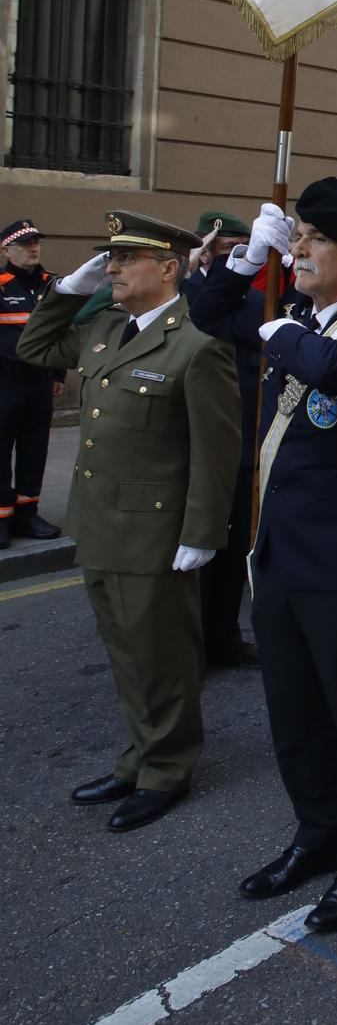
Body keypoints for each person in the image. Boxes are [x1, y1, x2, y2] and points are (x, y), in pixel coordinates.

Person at [190, 179, 337, 934]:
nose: (301, 251)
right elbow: (209, 315)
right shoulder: (288, 312)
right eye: (296, 239)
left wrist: (281, 333)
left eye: (315, 241)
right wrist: (243, 263)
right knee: (293, 712)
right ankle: (316, 833)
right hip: (281, 551)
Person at [17, 211, 240, 832]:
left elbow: (214, 452)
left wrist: (202, 533)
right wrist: (65, 294)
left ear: (168, 268)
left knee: (161, 657)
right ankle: (136, 757)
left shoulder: (195, 346)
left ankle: (167, 769)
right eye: (108, 259)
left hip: (155, 531)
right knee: (125, 652)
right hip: (100, 524)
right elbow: (35, 347)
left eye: (124, 259)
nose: (111, 268)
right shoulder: (105, 329)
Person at [183, 210, 265, 667]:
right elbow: (199, 316)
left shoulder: (253, 298)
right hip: (198, 441)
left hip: (244, 437)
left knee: (233, 548)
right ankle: (188, 645)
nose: (229, 254)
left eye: (237, 245)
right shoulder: (184, 291)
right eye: (219, 246)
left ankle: (222, 636)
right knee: (194, 551)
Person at [0, 218, 65, 546]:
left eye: (35, 242)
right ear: (7, 249)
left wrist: (58, 374)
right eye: (25, 244)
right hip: (5, 382)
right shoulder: (1, 284)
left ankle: (27, 513)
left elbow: (61, 332)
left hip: (39, 382)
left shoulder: (50, 284)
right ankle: (1, 516)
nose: (33, 248)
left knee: (34, 449)